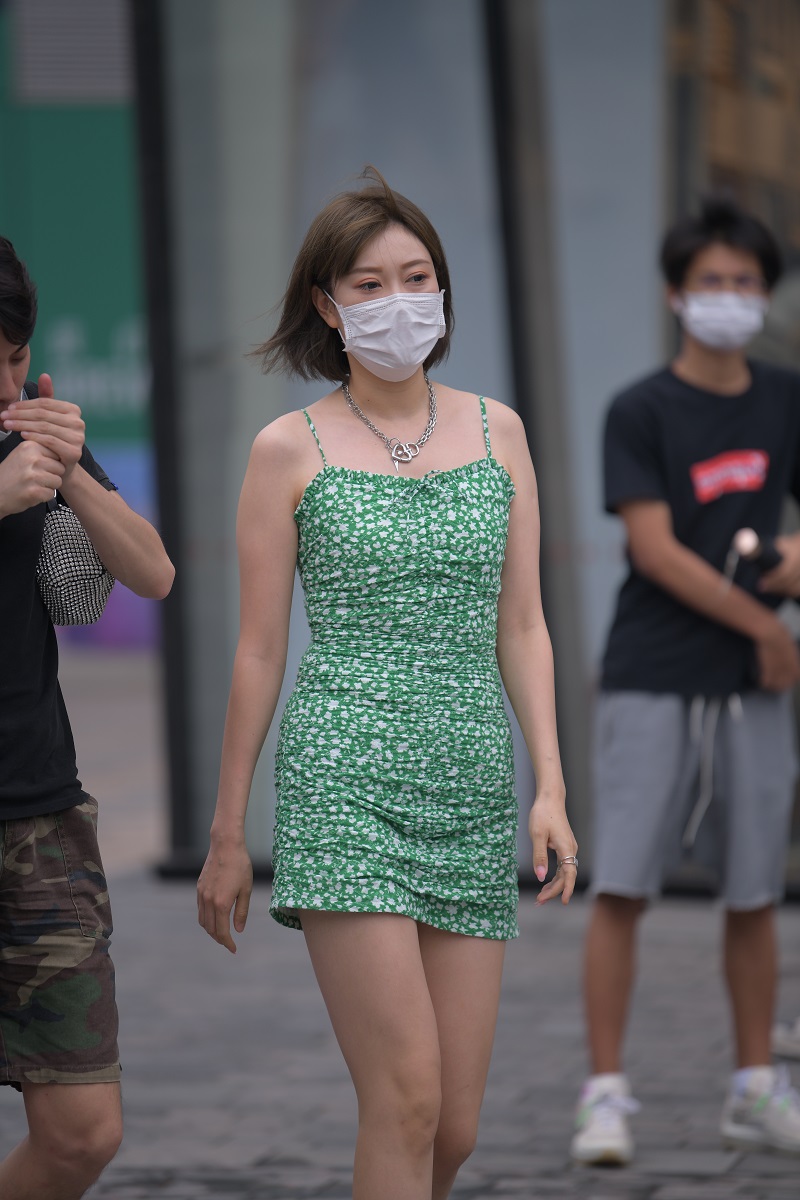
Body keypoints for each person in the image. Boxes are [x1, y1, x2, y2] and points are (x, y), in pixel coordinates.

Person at [197, 168, 577, 1200]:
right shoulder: (287, 448)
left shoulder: (499, 430)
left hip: (470, 783)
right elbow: (258, 652)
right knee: (404, 1099)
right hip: (343, 783)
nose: (397, 300)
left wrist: (549, 784)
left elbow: (524, 622)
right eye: (368, 285)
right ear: (328, 306)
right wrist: (228, 833)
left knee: (452, 1127)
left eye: (416, 277)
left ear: (443, 290)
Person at [571, 196, 800, 1166]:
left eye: (744, 282)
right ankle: (603, 1096)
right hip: (653, 673)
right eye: (710, 281)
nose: (727, 297)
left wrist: (790, 562)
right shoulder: (639, 409)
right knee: (622, 886)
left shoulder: (785, 397)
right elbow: (655, 552)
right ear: (675, 294)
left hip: (751, 688)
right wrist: (765, 622)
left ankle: (754, 1087)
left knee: (753, 893)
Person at [0, 236, 174, 1199]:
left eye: (17, 359)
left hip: (38, 818)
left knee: (83, 1134)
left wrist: (69, 470)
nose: (7, 385)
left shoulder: (29, 441)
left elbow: (150, 574)